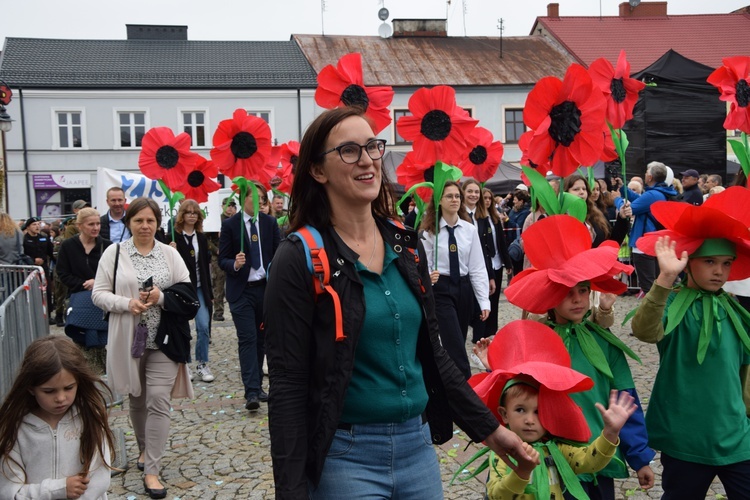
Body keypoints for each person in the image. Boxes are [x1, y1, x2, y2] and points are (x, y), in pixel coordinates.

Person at [264, 107, 533, 499]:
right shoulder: (298, 256)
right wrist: (290, 492)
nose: (369, 160)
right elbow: (287, 385)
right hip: (345, 456)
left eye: (373, 147)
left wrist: (491, 431)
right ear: (318, 171)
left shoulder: (405, 245)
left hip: (417, 448)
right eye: (350, 151)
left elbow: (434, 354)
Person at [504, 214, 655, 498]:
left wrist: (639, 456)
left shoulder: (605, 343)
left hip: (597, 451)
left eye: (583, 291)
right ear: (550, 296)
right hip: (550, 456)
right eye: (566, 292)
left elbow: (624, 397)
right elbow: (517, 397)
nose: (577, 299)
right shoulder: (535, 340)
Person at [631, 187, 750, 498]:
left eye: (727, 263)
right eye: (710, 261)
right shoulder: (673, 305)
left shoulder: (734, 309)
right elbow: (644, 330)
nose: (719, 271)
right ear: (689, 259)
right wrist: (665, 279)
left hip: (736, 437)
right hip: (685, 440)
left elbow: (744, 366)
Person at [92, 196, 193, 499]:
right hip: (129, 338)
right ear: (129, 222)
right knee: (136, 399)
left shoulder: (170, 255)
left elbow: (187, 291)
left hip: (164, 340)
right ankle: (143, 449)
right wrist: (126, 303)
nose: (145, 226)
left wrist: (160, 297)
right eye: (139, 220)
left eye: (150, 220)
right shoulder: (113, 253)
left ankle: (152, 470)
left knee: (159, 401)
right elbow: (98, 294)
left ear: (158, 223)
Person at [468, 321, 637, 500]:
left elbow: (590, 462)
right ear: (504, 414)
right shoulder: (503, 453)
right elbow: (497, 495)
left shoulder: (557, 450)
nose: (529, 420)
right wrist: (522, 471)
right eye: (520, 410)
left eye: (538, 412)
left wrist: (610, 433)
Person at [0, 336, 114, 499]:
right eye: (49, 391)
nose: (61, 398)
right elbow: (9, 491)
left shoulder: (90, 419)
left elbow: (99, 480)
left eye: (68, 388)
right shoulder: (15, 429)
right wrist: (58, 489)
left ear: (78, 382)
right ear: (31, 388)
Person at [219, 183, 280, 411]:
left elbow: (279, 252)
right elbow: (221, 259)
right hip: (241, 290)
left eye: (263, 199)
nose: (260, 203)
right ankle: (251, 391)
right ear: (244, 199)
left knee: (261, 339)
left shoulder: (269, 223)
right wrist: (234, 263)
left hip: (265, 289)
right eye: (255, 198)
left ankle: (258, 387)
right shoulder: (230, 225)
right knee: (247, 338)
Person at [421, 180, 490, 379]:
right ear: (439, 201)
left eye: (457, 196)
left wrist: (483, 299)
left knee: (459, 338)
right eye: (449, 196)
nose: (454, 200)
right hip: (441, 289)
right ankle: (465, 388)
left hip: (463, 288)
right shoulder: (430, 231)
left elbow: (477, 267)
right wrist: (427, 275)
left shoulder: (469, 230)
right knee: (454, 344)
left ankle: (448, 383)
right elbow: (421, 264)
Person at [56, 207, 113, 374]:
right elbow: (62, 273)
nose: (95, 227)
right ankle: (84, 376)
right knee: (80, 341)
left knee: (102, 341)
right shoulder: (68, 246)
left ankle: (103, 378)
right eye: (91, 224)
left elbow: (115, 273)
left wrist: (97, 282)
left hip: (102, 300)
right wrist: (83, 284)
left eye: (98, 224)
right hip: (77, 300)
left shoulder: (108, 246)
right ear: (80, 225)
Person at [168, 199, 215, 383]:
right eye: (188, 212)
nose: (192, 215)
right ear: (181, 215)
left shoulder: (202, 238)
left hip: (199, 288)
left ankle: (202, 363)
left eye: (195, 212)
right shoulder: (172, 236)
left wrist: (209, 293)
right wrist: (169, 250)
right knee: (183, 329)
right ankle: (184, 364)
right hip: (182, 287)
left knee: (203, 327)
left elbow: (204, 266)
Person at [616, 161, 679, 296]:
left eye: (646, 172)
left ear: (650, 177)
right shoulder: (659, 192)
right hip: (653, 244)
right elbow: (640, 199)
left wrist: (616, 200)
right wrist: (623, 189)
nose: (644, 174)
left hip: (643, 246)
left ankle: (654, 314)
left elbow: (629, 209)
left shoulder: (652, 195)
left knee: (649, 287)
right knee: (656, 284)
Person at [462, 178, 495, 344]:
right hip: (462, 270)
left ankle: (478, 343)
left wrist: (490, 276)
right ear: (463, 193)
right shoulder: (457, 215)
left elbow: (486, 251)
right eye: (470, 191)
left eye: (476, 192)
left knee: (483, 308)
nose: (473, 195)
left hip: (480, 269)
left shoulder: (483, 217)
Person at [564, 174, 630, 248]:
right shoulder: (561, 217)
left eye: (584, 189)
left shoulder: (596, 214)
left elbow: (611, 242)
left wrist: (622, 218)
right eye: (576, 189)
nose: (582, 192)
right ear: (565, 192)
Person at [482, 187, 512, 338]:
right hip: (484, 265)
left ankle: (492, 330)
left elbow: (501, 242)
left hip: (497, 262)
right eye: (485, 198)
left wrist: (508, 263)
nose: (487, 201)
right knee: (485, 298)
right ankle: (483, 329)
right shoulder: (477, 219)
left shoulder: (495, 218)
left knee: (495, 299)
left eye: (489, 198)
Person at [209, 198, 236, 322]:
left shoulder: (236, 220)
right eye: (227, 205)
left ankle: (235, 309)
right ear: (222, 206)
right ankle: (218, 312)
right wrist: (215, 250)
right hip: (218, 257)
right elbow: (206, 239)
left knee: (234, 284)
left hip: (233, 257)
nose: (230, 208)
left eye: (232, 205)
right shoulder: (216, 220)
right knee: (218, 286)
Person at [22, 216, 55, 320]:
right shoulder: (24, 240)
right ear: (28, 227)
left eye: (38, 224)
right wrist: (32, 259)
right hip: (30, 269)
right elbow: (22, 254)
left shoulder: (43, 238)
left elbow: (50, 252)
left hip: (43, 268)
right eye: (34, 224)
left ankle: (48, 314)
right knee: (33, 291)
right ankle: (34, 314)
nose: (37, 226)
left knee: (47, 290)